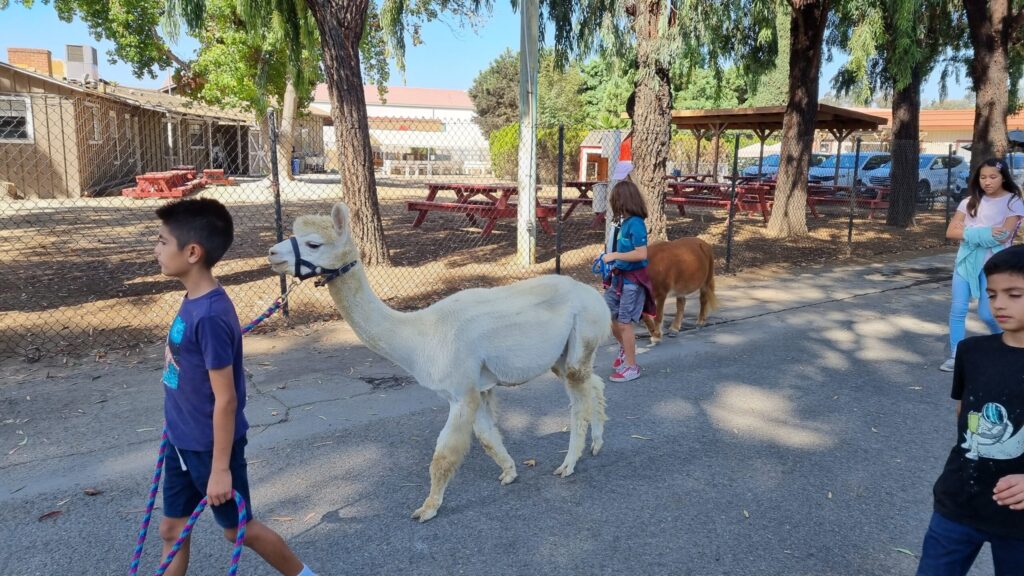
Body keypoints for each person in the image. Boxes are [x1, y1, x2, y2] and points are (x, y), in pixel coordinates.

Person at [153, 198, 315, 576]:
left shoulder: (209, 315)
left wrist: (220, 469)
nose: (155, 249)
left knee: (238, 530)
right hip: (183, 440)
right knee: (171, 528)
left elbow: (226, 400)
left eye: (162, 241)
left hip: (210, 449)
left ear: (192, 252)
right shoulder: (192, 299)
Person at [916, 245, 1024, 575]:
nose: (999, 304)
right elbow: (964, 416)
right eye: (992, 294)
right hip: (958, 504)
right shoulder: (971, 352)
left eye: (1014, 294)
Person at [940, 158, 1024, 372]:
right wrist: (984, 232)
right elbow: (951, 232)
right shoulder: (969, 202)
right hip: (966, 262)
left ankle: (1006, 349)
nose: (987, 181)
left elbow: (1002, 236)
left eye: (993, 177)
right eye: (983, 177)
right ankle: (956, 355)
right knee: (957, 309)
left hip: (995, 267)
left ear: (1003, 177)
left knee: (988, 314)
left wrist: (968, 232)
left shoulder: (1012, 201)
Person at [602, 180, 655, 383]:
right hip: (619, 278)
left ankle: (632, 367)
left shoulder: (637, 224)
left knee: (624, 324)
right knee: (606, 314)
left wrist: (615, 255)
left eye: (615, 201)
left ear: (623, 201)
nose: (614, 205)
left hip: (632, 283)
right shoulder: (624, 222)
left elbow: (641, 254)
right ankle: (626, 348)